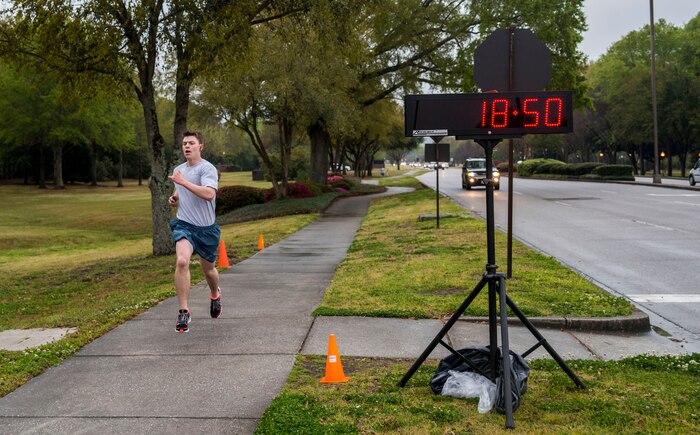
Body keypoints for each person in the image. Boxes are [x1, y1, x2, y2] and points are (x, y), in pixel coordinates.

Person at [168, 131, 222, 333]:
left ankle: (215, 294)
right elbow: (179, 191)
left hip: (206, 229)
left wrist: (183, 183)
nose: (187, 146)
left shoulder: (207, 169)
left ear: (201, 146)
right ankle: (184, 311)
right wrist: (175, 198)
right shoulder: (179, 170)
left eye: (191, 143)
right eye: (184, 143)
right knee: (182, 261)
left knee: (209, 270)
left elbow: (209, 194)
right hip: (185, 225)